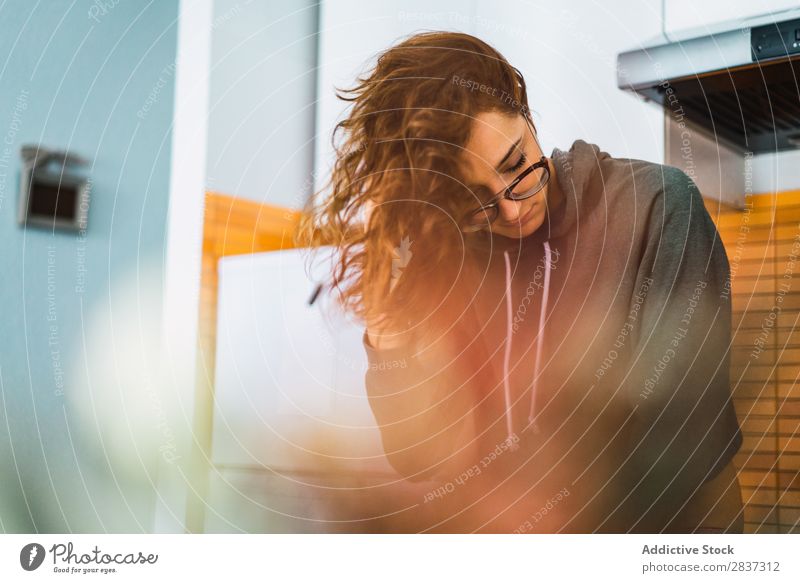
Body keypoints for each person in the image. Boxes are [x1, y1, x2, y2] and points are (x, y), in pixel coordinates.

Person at [297, 31, 744, 533]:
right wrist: (388, 321)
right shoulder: (456, 253)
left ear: (528, 115)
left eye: (517, 165)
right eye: (474, 197)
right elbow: (420, 458)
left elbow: (682, 442)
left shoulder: (657, 205)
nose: (511, 209)